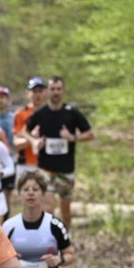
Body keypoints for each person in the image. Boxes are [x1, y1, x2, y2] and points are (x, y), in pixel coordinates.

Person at [25, 75, 93, 231]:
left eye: (58, 89)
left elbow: (89, 134)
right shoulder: (41, 113)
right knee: (48, 208)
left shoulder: (72, 113)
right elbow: (24, 130)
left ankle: (65, 238)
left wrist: (72, 137)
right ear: (47, 91)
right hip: (45, 168)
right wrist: (33, 140)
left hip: (66, 169)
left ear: (63, 91)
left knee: (65, 210)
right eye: (52, 89)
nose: (55, 92)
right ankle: (49, 238)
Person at [12, 77, 46, 172]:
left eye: (40, 91)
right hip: (25, 164)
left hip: (46, 163)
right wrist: (31, 138)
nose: (38, 94)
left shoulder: (50, 113)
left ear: (45, 92)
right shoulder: (20, 114)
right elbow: (16, 144)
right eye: (34, 91)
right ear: (28, 93)